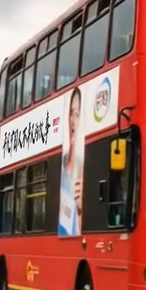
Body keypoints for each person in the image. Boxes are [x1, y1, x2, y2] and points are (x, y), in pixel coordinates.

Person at [57, 87, 85, 237]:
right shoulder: (60, 165)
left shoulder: (83, 171)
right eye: (71, 114)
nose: (73, 121)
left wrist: (82, 209)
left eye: (77, 115)